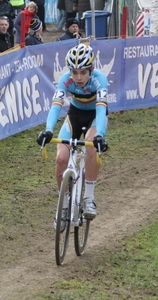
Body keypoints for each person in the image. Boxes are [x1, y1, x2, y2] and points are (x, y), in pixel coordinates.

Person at [37, 43, 108, 230]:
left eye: (83, 73)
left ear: (91, 70)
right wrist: (48, 130)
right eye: (74, 72)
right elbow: (56, 106)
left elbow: (101, 110)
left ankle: (88, 198)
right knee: (61, 158)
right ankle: (65, 204)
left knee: (92, 146)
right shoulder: (65, 80)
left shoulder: (100, 80)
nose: (78, 77)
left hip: (94, 117)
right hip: (74, 115)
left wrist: (100, 135)